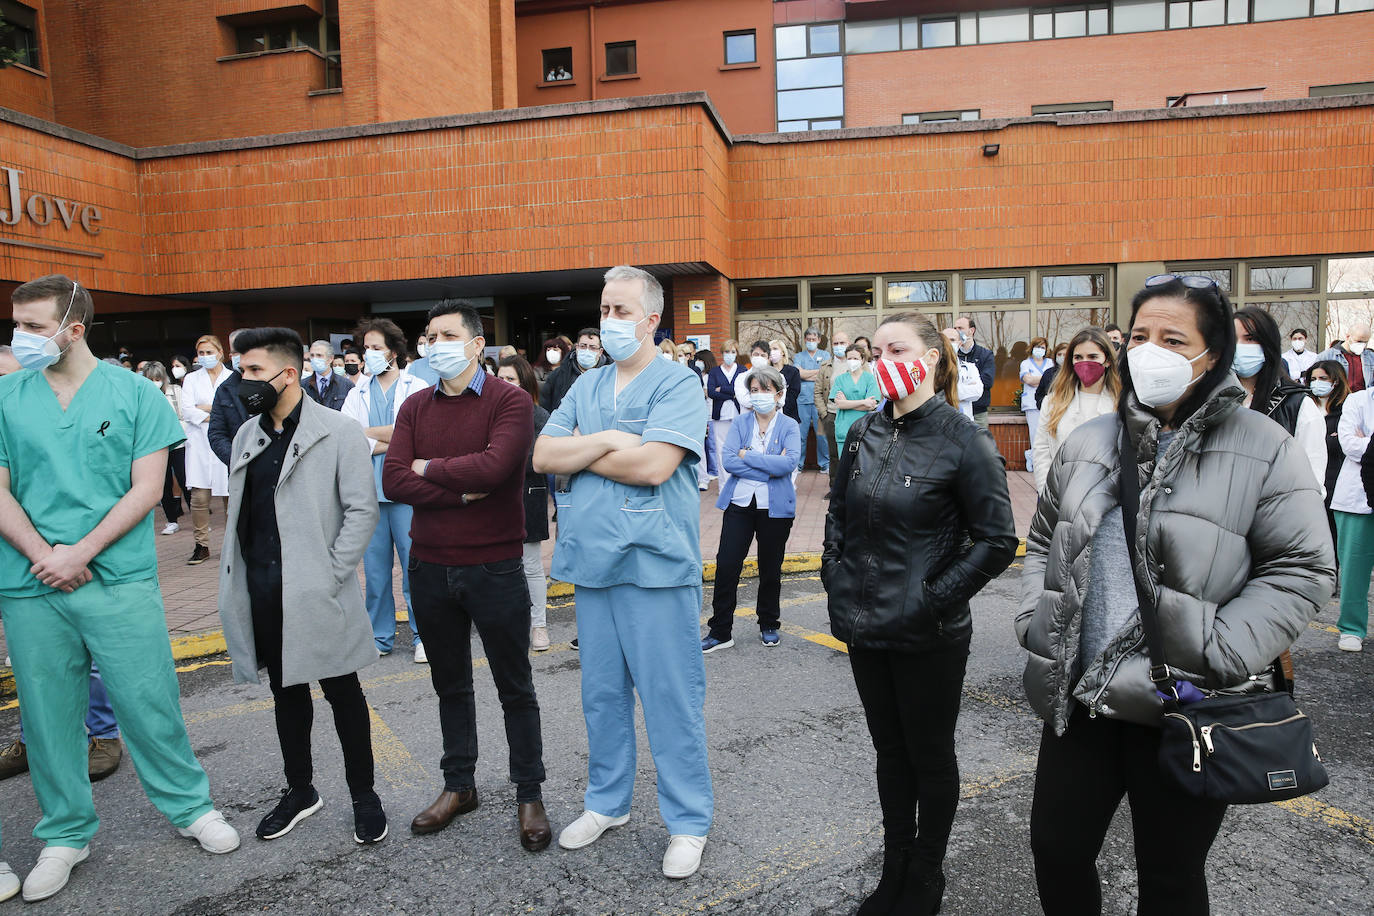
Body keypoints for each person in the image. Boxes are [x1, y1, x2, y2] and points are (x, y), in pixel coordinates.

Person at [1018, 274, 1334, 916]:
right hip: (1082, 699)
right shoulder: (1089, 442)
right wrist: (1035, 621)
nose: (1148, 350)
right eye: (1138, 336)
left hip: (1186, 705)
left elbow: (1303, 568)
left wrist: (1219, 649)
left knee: (1169, 877)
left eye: (1172, 338)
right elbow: (1043, 540)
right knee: (1057, 850)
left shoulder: (1263, 447)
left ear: (1212, 353)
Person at [0, 275, 240, 903]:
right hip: (31, 580)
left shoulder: (135, 394)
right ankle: (66, 833)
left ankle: (190, 808)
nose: (19, 337)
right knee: (48, 714)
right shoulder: (6, 396)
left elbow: (146, 489)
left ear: (73, 329)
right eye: (16, 325)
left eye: (32, 326)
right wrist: (44, 554)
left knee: (147, 696)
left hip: (115, 576)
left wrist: (79, 552)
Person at [824, 311, 1018, 915]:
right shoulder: (863, 434)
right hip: (862, 625)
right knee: (889, 753)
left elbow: (997, 540)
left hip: (928, 632)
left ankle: (926, 876)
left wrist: (933, 597)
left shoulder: (966, 440)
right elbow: (838, 513)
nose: (883, 359)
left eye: (897, 348)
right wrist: (836, 576)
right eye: (875, 349)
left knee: (929, 756)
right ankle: (895, 868)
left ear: (932, 357)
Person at [533, 265, 712, 879]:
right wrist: (613, 439)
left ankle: (688, 821)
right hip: (594, 563)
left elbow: (655, 467)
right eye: (603, 310)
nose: (607, 322)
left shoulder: (678, 382)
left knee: (670, 699)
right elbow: (542, 454)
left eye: (619, 311)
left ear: (652, 320)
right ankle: (606, 803)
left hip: (655, 566)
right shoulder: (587, 386)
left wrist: (588, 451)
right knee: (602, 697)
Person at [381, 301, 551, 852]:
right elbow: (394, 479)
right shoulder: (413, 408)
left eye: (448, 335)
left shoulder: (511, 400)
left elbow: (496, 467)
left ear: (478, 344)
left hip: (495, 566)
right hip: (429, 565)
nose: (436, 345)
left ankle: (529, 792)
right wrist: (454, 483)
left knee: (514, 686)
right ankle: (460, 786)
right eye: (429, 336)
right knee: (449, 685)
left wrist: (428, 468)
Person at [215, 327, 386, 845]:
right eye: (240, 370)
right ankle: (300, 790)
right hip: (263, 587)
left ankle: (365, 795)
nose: (243, 381)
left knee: (343, 693)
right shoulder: (248, 434)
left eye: (253, 371)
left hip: (318, 587)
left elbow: (361, 510)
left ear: (288, 374)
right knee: (286, 694)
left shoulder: (338, 430)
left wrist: (331, 574)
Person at [341, 318, 430, 661]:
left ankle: (423, 636)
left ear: (393, 352)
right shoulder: (356, 393)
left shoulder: (416, 387)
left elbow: (417, 435)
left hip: (406, 494)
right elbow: (349, 438)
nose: (369, 354)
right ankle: (379, 637)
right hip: (369, 496)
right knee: (375, 573)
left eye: (376, 348)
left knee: (415, 568)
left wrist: (371, 434)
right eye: (367, 348)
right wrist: (393, 437)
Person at [702, 365, 800, 653]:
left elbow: (789, 463)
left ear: (779, 394)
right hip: (740, 504)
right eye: (754, 390)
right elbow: (729, 461)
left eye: (765, 390)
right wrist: (768, 465)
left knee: (770, 568)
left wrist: (750, 458)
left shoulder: (789, 425)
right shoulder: (741, 422)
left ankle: (769, 623)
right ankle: (720, 630)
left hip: (775, 507)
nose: (759, 396)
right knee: (727, 565)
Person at [1233, 307, 1326, 493]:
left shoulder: (1297, 405)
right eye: (1232, 340)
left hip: (1274, 514)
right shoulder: (1210, 401)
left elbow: (1312, 481)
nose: (1239, 347)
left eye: (1250, 339)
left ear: (1269, 344)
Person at [499, 355, 553, 653]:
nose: (504, 385)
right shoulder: (490, 413)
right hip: (495, 498)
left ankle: (539, 625)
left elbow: (541, 460)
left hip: (527, 495)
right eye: (500, 378)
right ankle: (508, 624)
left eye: (510, 379)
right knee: (499, 564)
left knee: (530, 565)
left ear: (524, 383)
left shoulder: (538, 416)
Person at [1032, 328, 1121, 493]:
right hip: (1060, 495)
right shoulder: (1052, 402)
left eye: (1093, 357)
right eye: (1078, 357)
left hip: (1106, 498)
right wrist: (1047, 492)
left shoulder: (1120, 403)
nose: (1084, 363)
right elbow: (1042, 450)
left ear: (1107, 360)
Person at [181, 334, 233, 566]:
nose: (205, 357)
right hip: (200, 445)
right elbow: (187, 411)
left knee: (231, 498)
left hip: (225, 442)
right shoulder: (191, 379)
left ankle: (234, 546)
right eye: (201, 353)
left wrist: (207, 410)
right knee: (199, 498)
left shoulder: (233, 378)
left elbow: (233, 411)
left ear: (220, 353)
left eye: (209, 352)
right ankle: (201, 545)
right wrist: (216, 412)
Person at [1332, 378, 1374, 652]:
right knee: (1354, 569)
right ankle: (1351, 628)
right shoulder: (1358, 401)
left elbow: (1363, 446)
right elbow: (1349, 444)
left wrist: (1368, 441)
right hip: (1357, 499)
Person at [142, 361, 192, 535]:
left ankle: (197, 518)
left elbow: (184, 415)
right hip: (156, 445)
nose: (155, 382)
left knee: (185, 479)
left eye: (157, 378)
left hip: (178, 442)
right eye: (151, 379)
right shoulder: (142, 394)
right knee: (164, 483)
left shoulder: (175, 391)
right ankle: (171, 520)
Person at [1305, 360, 1349, 559]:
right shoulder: (1304, 408)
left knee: (1332, 541)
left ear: (1336, 381)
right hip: (1307, 483)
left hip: (1334, 486)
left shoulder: (1346, 412)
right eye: (1313, 379)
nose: (1317, 383)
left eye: (1323, 378)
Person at [207, 329, 251, 468]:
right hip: (240, 468)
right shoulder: (225, 389)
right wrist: (237, 460)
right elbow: (216, 434)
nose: (239, 356)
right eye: (235, 352)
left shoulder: (273, 383)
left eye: (244, 350)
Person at [706, 339, 746, 486]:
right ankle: (724, 485)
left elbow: (742, 391)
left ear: (737, 354)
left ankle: (738, 482)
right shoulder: (715, 372)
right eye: (727, 352)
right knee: (721, 449)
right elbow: (711, 392)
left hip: (738, 414)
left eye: (733, 352)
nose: (730, 355)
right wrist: (732, 392)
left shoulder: (742, 370)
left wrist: (722, 389)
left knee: (738, 449)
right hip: (720, 416)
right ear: (722, 353)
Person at [793, 327, 832, 473]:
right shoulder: (798, 356)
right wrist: (817, 373)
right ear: (805, 340)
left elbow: (826, 374)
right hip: (802, 400)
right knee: (800, 435)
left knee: (821, 435)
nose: (811, 342)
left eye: (813, 339)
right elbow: (798, 374)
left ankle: (825, 464)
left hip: (819, 400)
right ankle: (798, 464)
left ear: (819, 340)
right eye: (808, 339)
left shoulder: (825, 354)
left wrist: (806, 374)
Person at [830, 343, 880, 454]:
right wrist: (863, 402)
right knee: (845, 466)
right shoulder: (840, 379)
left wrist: (847, 403)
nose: (852, 361)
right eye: (849, 358)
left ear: (862, 360)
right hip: (844, 428)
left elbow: (871, 405)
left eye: (855, 358)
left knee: (862, 465)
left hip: (864, 429)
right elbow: (839, 404)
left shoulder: (870, 379)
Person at [540, 328, 605, 414]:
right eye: (583, 346)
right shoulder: (558, 375)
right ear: (577, 348)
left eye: (593, 348)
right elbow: (544, 408)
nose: (587, 350)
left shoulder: (611, 375)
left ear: (600, 351)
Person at [953, 316, 994, 429]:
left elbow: (987, 381)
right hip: (954, 411)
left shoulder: (985, 355)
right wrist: (969, 384)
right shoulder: (952, 355)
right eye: (955, 328)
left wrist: (959, 388)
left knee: (979, 445)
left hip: (978, 412)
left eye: (960, 328)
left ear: (971, 330)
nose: (957, 331)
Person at [1019, 336, 1053, 471]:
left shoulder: (1051, 363)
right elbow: (1028, 380)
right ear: (1032, 348)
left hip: (1049, 402)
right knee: (1035, 433)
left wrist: (1037, 379)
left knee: (1048, 433)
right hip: (1031, 404)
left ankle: (1032, 455)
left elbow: (1056, 379)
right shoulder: (1025, 363)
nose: (1040, 350)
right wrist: (1046, 378)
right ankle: (1034, 461)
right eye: (1037, 347)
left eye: (1043, 347)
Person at [1318, 324, 1374, 391]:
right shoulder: (1327, 356)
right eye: (1359, 341)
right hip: (1338, 399)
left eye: (1365, 342)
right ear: (1348, 337)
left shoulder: (1371, 357)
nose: (1362, 345)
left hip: (1364, 399)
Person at [303, 339, 351, 411]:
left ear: (330, 359)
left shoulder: (346, 385)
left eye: (319, 355)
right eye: (312, 355)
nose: (315, 359)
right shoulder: (303, 385)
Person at [766, 339, 802, 422]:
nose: (772, 352)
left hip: (789, 416)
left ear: (782, 352)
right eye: (769, 350)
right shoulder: (765, 372)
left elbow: (793, 395)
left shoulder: (793, 371)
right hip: (769, 417)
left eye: (775, 349)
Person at [1034, 342, 1068, 410]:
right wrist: (1045, 406)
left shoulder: (1075, 373)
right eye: (1059, 354)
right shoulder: (1048, 373)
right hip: (1051, 412)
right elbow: (1039, 394)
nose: (1062, 357)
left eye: (1065, 355)